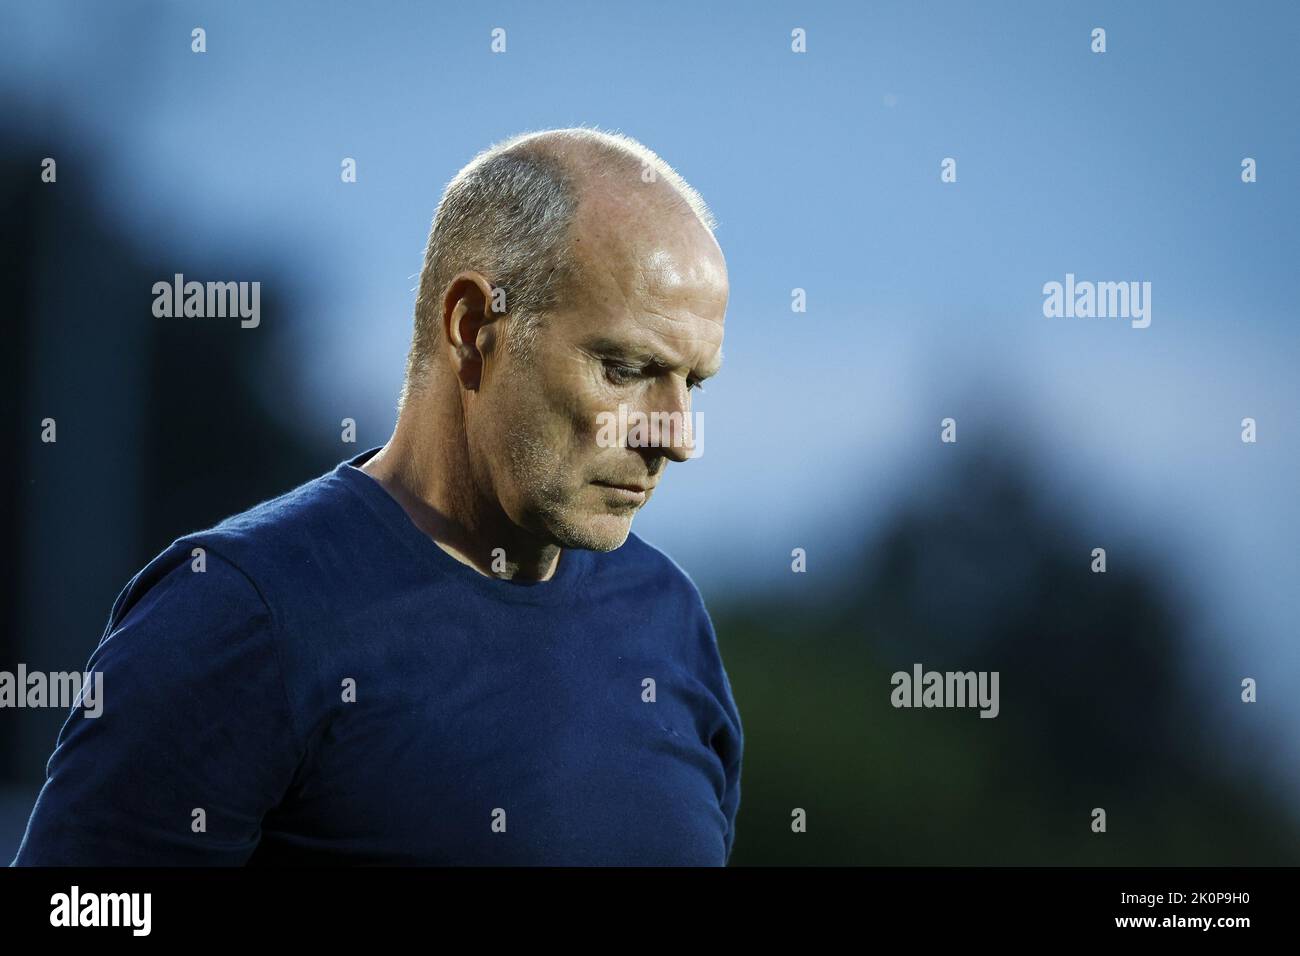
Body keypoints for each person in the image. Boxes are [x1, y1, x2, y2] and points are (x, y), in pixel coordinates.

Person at [11, 127, 742, 865]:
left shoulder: (670, 622)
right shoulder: (238, 616)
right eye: (623, 368)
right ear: (472, 328)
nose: (677, 437)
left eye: (695, 383)